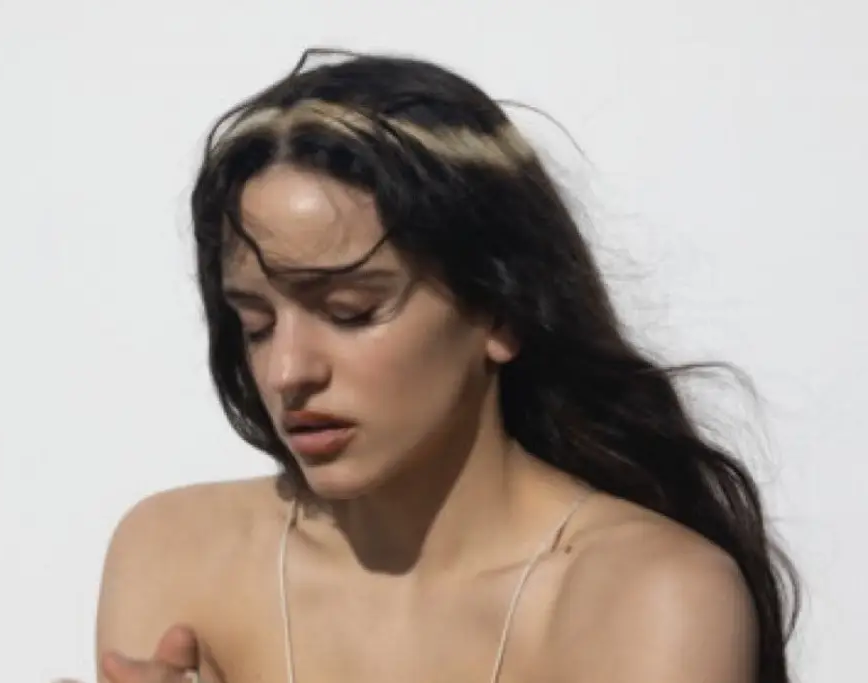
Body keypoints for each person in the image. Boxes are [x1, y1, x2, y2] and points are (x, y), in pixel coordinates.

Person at [93, 49, 800, 683]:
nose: (287, 371)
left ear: (499, 310)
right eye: (257, 324)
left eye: (349, 311)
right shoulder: (176, 554)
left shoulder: (648, 595)